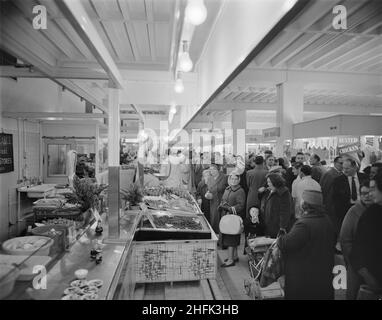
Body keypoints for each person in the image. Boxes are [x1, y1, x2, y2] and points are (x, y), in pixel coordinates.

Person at [278, 190, 336, 300]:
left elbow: (286, 243)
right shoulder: (327, 220)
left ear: (305, 204)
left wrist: (281, 239)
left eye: (302, 200)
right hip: (322, 276)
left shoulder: (304, 224)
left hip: (304, 278)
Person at [339, 180, 373, 300]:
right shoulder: (354, 211)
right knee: (353, 293)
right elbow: (345, 239)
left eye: (370, 193)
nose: (367, 196)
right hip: (356, 262)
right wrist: (352, 261)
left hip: (375, 262)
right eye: (363, 193)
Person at [351, 172, 382, 297]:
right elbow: (356, 248)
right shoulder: (370, 214)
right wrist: (368, 277)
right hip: (374, 279)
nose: (370, 193)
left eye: (373, 189)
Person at [332, 157, 367, 237]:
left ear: (355, 167)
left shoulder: (364, 177)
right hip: (345, 210)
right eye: (343, 168)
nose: (345, 170)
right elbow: (335, 198)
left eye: (347, 168)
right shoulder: (338, 180)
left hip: (362, 208)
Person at [218, 173, 246, 267]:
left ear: (239, 180)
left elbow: (241, 205)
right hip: (226, 216)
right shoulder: (227, 189)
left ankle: (230, 260)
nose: (233, 181)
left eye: (235, 179)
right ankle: (234, 256)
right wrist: (222, 204)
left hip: (233, 217)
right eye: (232, 179)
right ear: (229, 179)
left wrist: (229, 209)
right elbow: (223, 200)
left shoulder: (240, 191)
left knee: (231, 238)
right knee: (230, 237)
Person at [245, 156, 268, 252]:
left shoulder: (249, 173)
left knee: (250, 219)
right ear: (263, 162)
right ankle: (261, 245)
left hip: (251, 196)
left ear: (254, 162)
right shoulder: (267, 172)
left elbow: (248, 184)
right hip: (262, 197)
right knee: (261, 218)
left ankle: (247, 244)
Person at [261, 173, 293, 238]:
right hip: (270, 223)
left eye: (269, 182)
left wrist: (282, 227)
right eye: (267, 182)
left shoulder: (283, 193)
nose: (268, 184)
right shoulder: (270, 191)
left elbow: (285, 211)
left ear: (275, 182)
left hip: (277, 225)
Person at [320, 156, 344, 227]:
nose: (342, 165)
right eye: (341, 163)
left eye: (343, 163)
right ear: (335, 163)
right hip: (330, 205)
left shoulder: (341, 174)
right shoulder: (330, 174)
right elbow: (324, 190)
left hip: (337, 206)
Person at [206, 164, 228, 236]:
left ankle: (222, 236)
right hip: (213, 201)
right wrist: (207, 193)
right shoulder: (209, 178)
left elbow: (227, 188)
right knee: (213, 218)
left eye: (213, 169)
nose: (211, 171)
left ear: (218, 169)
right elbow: (208, 189)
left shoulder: (224, 177)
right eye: (210, 169)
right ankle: (215, 235)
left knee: (221, 218)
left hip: (222, 200)